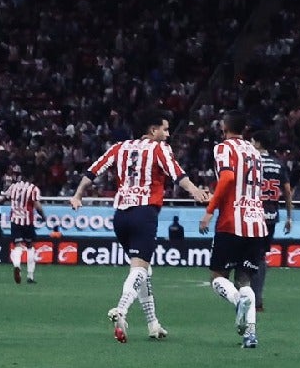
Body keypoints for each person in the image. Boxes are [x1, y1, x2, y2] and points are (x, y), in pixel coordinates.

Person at [71, 109, 209, 342]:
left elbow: (92, 171)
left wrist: (77, 195)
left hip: (121, 217)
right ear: (153, 130)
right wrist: (195, 191)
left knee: (144, 269)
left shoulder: (119, 148)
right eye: (165, 129)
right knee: (139, 269)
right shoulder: (159, 148)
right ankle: (121, 309)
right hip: (144, 213)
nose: (167, 134)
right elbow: (177, 173)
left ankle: (153, 324)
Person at [199, 110, 268, 349]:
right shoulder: (255, 152)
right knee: (244, 279)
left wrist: (210, 210)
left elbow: (228, 178)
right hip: (257, 223)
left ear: (224, 127)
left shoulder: (223, 148)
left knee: (217, 277)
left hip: (232, 222)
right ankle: (250, 334)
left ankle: (239, 301)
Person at [251, 130, 294, 312]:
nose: (250, 144)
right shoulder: (278, 164)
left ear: (258, 143)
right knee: (261, 257)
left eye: (252, 141)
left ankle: (248, 296)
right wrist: (289, 217)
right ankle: (258, 298)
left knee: (247, 256)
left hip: (252, 216)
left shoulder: (251, 162)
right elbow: (287, 192)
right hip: (271, 217)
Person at [0, 169, 47, 284]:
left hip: (15, 221)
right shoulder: (33, 189)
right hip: (27, 221)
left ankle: (16, 265)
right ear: (31, 178)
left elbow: (2, 199)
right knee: (30, 246)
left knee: (18, 246)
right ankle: (30, 276)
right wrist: (44, 216)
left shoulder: (13, 187)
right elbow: (37, 206)